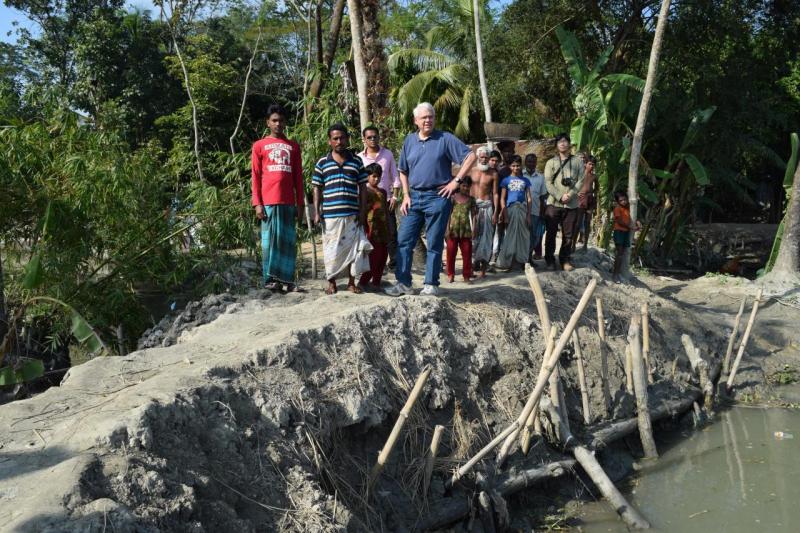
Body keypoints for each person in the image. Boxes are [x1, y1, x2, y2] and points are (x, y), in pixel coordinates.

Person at [385, 102, 476, 296]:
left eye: (431, 117)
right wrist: (406, 195)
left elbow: (470, 156)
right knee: (404, 240)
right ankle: (404, 283)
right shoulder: (409, 141)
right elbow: (402, 171)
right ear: (415, 120)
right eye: (424, 117)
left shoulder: (445, 138)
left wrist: (456, 182)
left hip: (437, 196)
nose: (428, 120)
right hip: (414, 197)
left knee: (434, 242)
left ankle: (431, 284)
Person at [251, 104, 305, 292]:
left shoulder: (293, 146)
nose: (278, 123)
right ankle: (270, 280)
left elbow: (299, 177)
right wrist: (257, 204)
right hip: (268, 202)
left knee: (288, 243)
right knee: (270, 242)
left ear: (285, 123)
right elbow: (256, 176)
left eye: (281, 120)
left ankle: (287, 281)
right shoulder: (259, 146)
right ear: (268, 123)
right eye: (274, 120)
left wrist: (301, 204)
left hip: (288, 201)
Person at [312, 124, 371, 295]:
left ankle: (352, 283)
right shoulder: (322, 162)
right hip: (330, 216)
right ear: (329, 141)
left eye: (342, 138)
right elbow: (317, 188)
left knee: (353, 251)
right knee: (331, 251)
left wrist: (362, 212)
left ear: (347, 139)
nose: (339, 141)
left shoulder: (357, 162)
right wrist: (316, 212)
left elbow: (363, 188)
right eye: (335, 138)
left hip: (352, 215)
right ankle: (332, 283)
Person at [357, 126, 400, 267]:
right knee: (368, 233)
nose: (373, 139)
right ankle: (368, 263)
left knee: (391, 232)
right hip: (366, 202)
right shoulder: (359, 158)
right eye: (369, 137)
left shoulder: (387, 154)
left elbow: (395, 176)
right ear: (364, 139)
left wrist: (395, 197)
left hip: (386, 200)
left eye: (375, 136)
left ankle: (392, 263)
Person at [544, 132, 584, 271]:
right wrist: (560, 196)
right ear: (556, 145)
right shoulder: (551, 162)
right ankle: (549, 260)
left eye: (565, 141)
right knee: (551, 233)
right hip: (554, 203)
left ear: (569, 144)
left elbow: (581, 180)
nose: (563, 143)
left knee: (568, 234)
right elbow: (548, 183)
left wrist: (571, 194)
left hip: (572, 204)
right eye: (560, 141)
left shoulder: (578, 161)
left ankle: (564, 260)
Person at [496, 155, 532, 270]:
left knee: (523, 236)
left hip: (522, 209)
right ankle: (508, 261)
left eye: (518, 165)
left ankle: (521, 261)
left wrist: (529, 214)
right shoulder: (506, 180)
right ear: (510, 166)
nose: (516, 168)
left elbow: (529, 198)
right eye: (513, 165)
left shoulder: (525, 180)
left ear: (521, 166)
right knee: (510, 235)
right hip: (511, 209)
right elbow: (502, 199)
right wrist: (505, 213)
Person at [358, 163, 390, 290]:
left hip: (383, 228)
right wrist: (364, 228)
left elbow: (386, 211)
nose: (377, 179)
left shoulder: (383, 192)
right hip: (371, 229)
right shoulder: (364, 191)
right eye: (374, 176)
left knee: (383, 256)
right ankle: (363, 282)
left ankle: (376, 282)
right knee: (373, 258)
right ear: (368, 177)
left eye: (379, 177)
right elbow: (363, 211)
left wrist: (389, 227)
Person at [470, 146, 499, 277]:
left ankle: (484, 263)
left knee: (487, 236)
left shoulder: (493, 173)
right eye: (482, 157)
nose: (484, 159)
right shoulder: (472, 171)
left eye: (486, 157)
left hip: (487, 206)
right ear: (478, 157)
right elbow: (467, 189)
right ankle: (474, 261)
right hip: (474, 206)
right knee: (473, 235)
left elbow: (495, 193)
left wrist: (495, 212)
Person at [446, 177, 477, 282]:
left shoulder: (472, 200)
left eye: (467, 186)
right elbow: (449, 214)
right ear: (459, 186)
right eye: (463, 186)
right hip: (453, 229)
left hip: (466, 230)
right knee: (451, 253)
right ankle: (450, 274)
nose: (466, 188)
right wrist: (447, 228)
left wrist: (474, 229)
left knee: (467, 253)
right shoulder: (453, 198)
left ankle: (466, 276)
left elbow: (473, 216)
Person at [612, 190, 640, 283]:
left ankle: (618, 273)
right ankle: (615, 275)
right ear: (618, 202)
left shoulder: (628, 208)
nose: (624, 201)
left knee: (622, 254)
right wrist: (631, 226)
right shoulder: (617, 209)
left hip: (625, 232)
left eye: (625, 199)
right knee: (619, 254)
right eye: (621, 200)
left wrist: (637, 222)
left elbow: (632, 217)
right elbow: (619, 221)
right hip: (619, 232)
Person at [523, 153, 547, 261]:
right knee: (523, 236)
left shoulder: (541, 178)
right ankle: (522, 259)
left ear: (536, 163)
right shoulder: (520, 175)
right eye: (529, 161)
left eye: (533, 161)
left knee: (534, 236)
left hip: (535, 211)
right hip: (522, 211)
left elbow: (543, 197)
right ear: (525, 162)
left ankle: (529, 258)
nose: (531, 163)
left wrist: (542, 212)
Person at [575, 154, 597, 251]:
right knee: (578, 222)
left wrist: (593, 194)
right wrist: (577, 193)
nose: (591, 166)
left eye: (593, 165)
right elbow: (573, 185)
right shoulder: (579, 174)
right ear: (585, 164)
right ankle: (572, 244)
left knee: (588, 222)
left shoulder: (594, 176)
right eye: (590, 164)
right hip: (580, 200)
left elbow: (597, 188)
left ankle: (585, 245)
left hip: (590, 201)